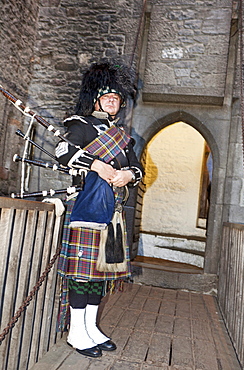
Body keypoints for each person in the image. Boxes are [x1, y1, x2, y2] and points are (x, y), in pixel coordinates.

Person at [55, 59, 143, 358]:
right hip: (86, 209)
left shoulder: (123, 136)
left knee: (100, 274)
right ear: (96, 98)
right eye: (107, 97)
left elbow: (138, 169)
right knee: (82, 274)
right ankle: (76, 333)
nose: (112, 102)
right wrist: (97, 165)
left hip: (112, 213)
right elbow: (62, 152)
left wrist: (127, 175)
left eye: (116, 99)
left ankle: (90, 328)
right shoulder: (80, 125)